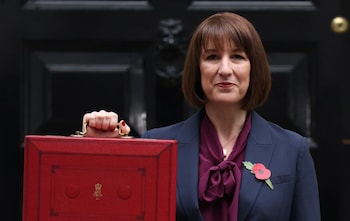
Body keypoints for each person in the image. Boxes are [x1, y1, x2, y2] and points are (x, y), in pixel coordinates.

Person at [81, 12, 321, 221]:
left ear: (253, 68)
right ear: (197, 70)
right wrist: (99, 150)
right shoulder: (157, 145)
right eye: (212, 57)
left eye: (237, 56)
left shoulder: (292, 149)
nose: (225, 69)